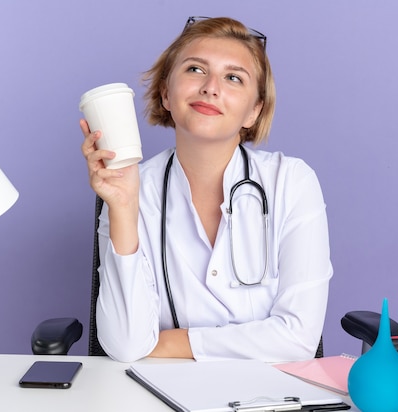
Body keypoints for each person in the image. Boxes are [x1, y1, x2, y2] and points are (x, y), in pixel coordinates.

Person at [80, 16, 332, 362]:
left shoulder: (291, 182)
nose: (211, 87)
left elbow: (298, 340)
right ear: (166, 93)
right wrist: (123, 208)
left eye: (233, 78)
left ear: (253, 112)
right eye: (195, 70)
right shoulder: (130, 190)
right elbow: (125, 345)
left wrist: (170, 343)